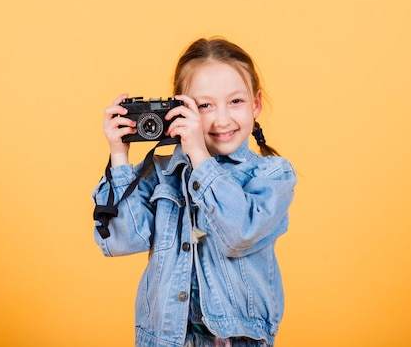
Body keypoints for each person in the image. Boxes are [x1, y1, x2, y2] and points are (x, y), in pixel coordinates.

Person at [92, 37, 297, 347]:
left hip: (236, 340)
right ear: (179, 108)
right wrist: (119, 157)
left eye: (236, 102)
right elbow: (121, 240)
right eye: (204, 105)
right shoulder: (162, 172)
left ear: (255, 104)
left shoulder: (271, 174)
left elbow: (239, 234)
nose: (222, 119)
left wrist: (200, 157)